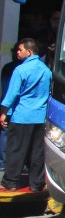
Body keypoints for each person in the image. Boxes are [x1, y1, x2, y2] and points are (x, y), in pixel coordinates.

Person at [0, 38, 52, 191]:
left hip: (22, 116)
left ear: (29, 52)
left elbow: (12, 94)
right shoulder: (46, 70)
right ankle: (37, 184)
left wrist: (3, 113)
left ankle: (10, 182)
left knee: (16, 149)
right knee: (37, 151)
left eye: (20, 49)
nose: (17, 52)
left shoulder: (20, 70)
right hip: (40, 117)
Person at [0, 43, 20, 171]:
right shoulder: (20, 69)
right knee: (15, 136)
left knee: (5, 134)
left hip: (6, 105)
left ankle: (2, 162)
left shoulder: (7, 67)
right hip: (16, 106)